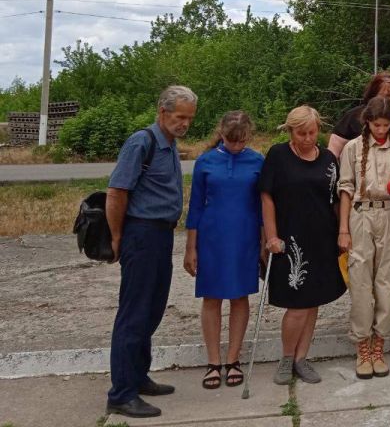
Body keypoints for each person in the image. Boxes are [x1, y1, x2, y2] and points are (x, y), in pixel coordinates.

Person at [105, 86, 197, 418]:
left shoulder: (169, 146)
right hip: (140, 235)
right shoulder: (141, 142)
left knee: (152, 310)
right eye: (179, 116)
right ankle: (121, 393)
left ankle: (138, 377)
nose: (184, 123)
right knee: (134, 313)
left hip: (160, 236)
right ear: (162, 112)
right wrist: (118, 236)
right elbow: (116, 192)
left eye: (189, 118)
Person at [328, 72, 390, 330]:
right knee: (361, 266)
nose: (389, 99)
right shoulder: (354, 125)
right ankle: (363, 324)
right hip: (360, 206)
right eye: (384, 94)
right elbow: (333, 161)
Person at [261, 106, 346, 385]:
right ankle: (286, 358)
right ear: (290, 131)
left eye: (312, 132)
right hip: (290, 240)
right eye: (302, 133)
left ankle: (302, 358)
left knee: (313, 303)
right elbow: (267, 197)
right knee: (297, 304)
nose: (309, 138)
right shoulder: (278, 155)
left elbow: (335, 200)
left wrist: (342, 234)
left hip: (322, 238)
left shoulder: (329, 159)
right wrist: (271, 236)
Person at [184, 111, 264, 389]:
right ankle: (213, 361)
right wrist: (190, 247)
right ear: (221, 134)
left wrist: (265, 242)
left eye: (241, 141)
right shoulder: (205, 161)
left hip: (245, 236)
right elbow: (195, 207)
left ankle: (233, 359)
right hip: (212, 237)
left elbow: (263, 205)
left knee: (240, 296)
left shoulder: (257, 161)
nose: (236, 146)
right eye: (231, 140)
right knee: (212, 297)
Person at [338, 97, 390, 378]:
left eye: (386, 125)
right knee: (360, 279)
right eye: (376, 124)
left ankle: (379, 343)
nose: (381, 130)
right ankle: (362, 345)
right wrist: (343, 229)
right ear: (367, 122)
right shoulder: (353, 148)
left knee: (388, 278)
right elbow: (345, 188)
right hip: (361, 214)